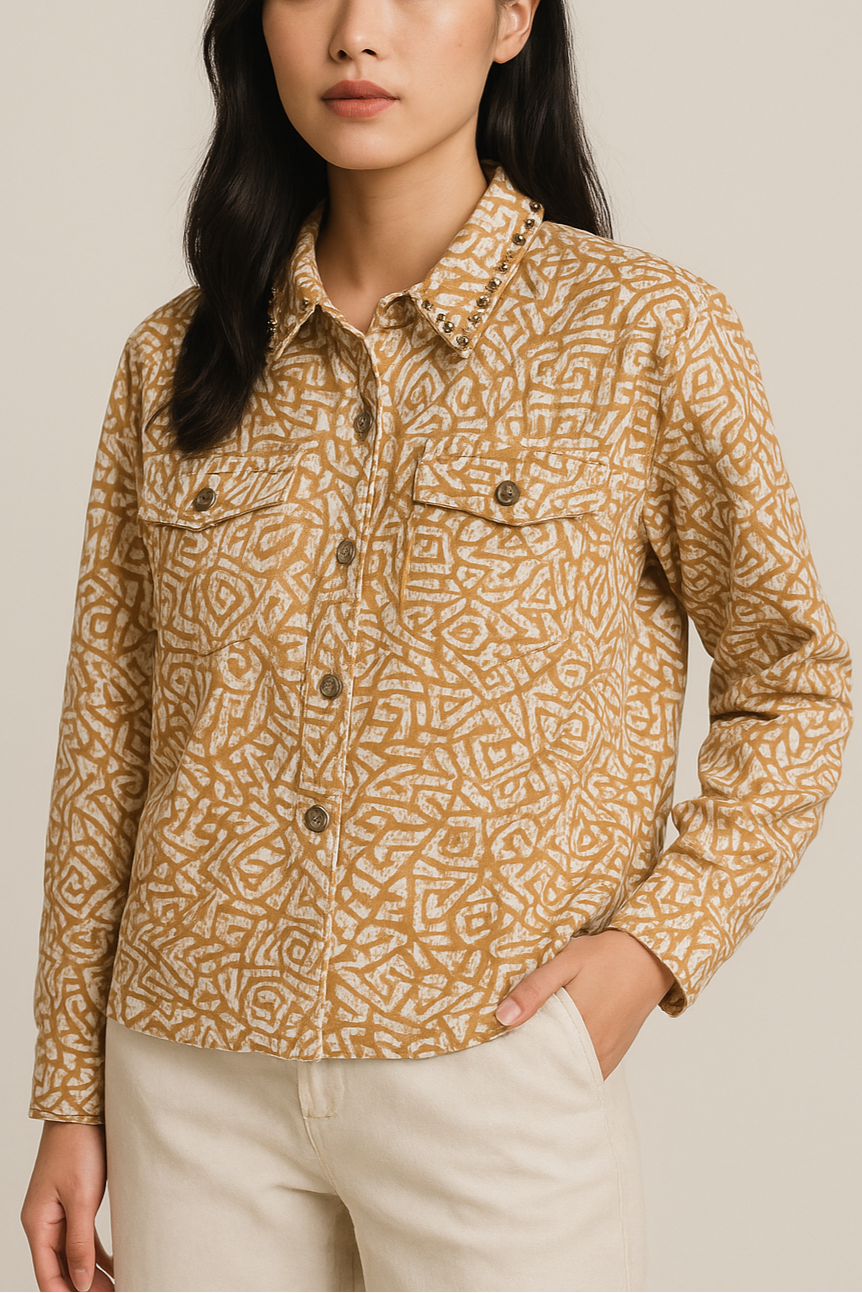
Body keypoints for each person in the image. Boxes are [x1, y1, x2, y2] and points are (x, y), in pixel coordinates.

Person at [20, 1, 852, 1290]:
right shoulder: (170, 363)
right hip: (189, 1077)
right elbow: (106, 737)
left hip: (492, 1056)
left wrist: (652, 949)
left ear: (514, 15)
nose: (359, 33)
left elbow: (798, 682)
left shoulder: (644, 335)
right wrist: (69, 1092)